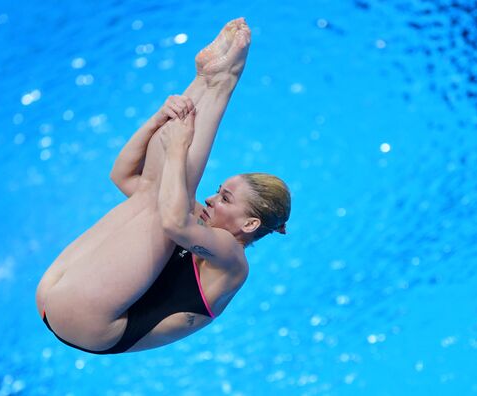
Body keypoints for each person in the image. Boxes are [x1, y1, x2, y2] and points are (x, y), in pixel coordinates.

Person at [35, 17, 291, 354]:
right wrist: (157, 119)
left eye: (225, 198)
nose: (212, 199)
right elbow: (123, 176)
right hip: (57, 297)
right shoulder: (195, 219)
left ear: (250, 223)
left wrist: (178, 149)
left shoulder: (232, 260)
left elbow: (173, 220)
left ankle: (224, 80)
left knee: (168, 201)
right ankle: (206, 80)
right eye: (218, 191)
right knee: (154, 193)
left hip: (92, 323)